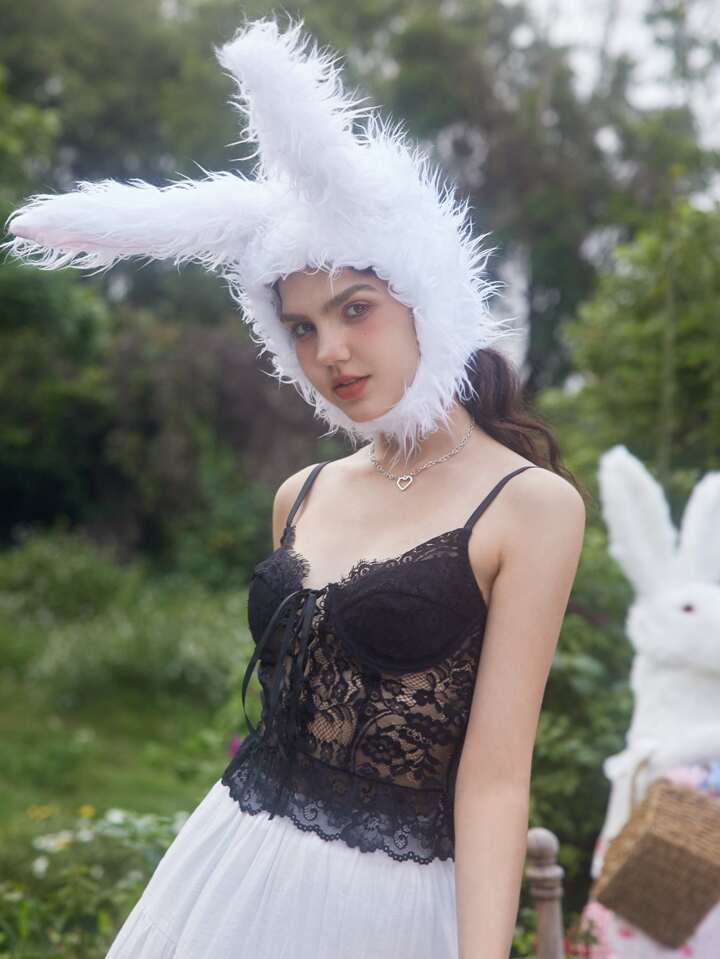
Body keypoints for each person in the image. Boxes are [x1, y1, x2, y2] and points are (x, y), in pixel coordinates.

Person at [2, 15, 587, 959]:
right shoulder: (302, 493)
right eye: (302, 326)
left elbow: (493, 778)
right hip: (227, 870)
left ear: (426, 297)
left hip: (385, 912)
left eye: (356, 308)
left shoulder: (530, 507)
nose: (331, 352)